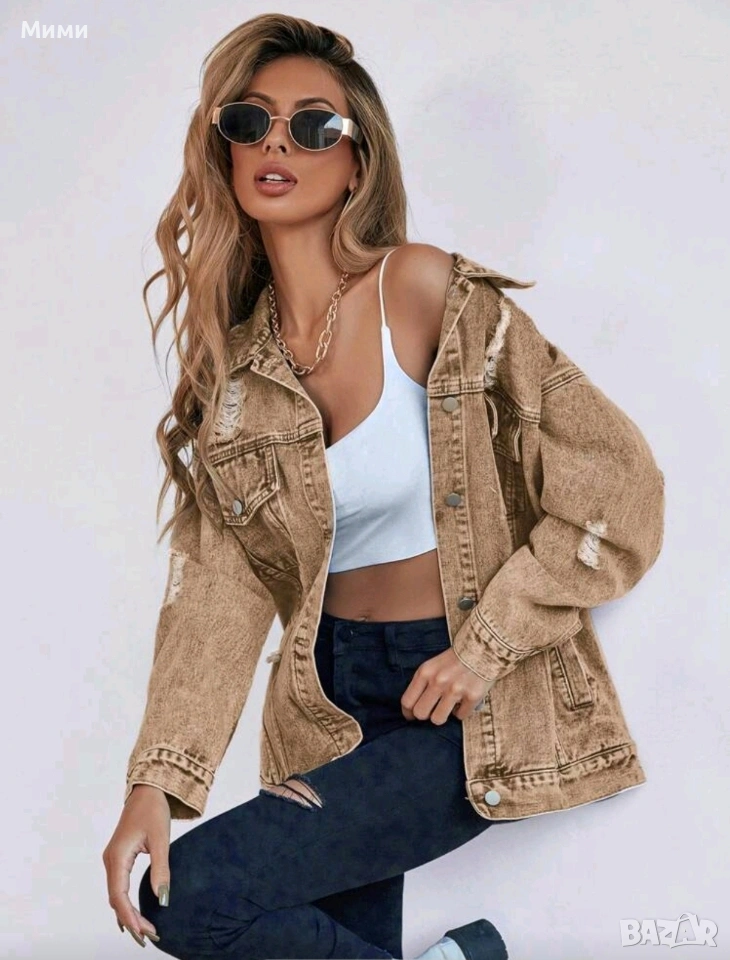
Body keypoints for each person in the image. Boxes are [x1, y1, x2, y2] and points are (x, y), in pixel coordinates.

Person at [101, 13, 665, 960]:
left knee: (191, 900)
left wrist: (486, 646)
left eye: (313, 125)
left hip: (454, 699)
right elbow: (215, 595)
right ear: (225, 149)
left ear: (357, 162)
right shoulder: (236, 380)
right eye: (250, 122)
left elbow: (620, 486)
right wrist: (155, 780)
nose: (278, 143)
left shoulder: (420, 290)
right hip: (328, 699)